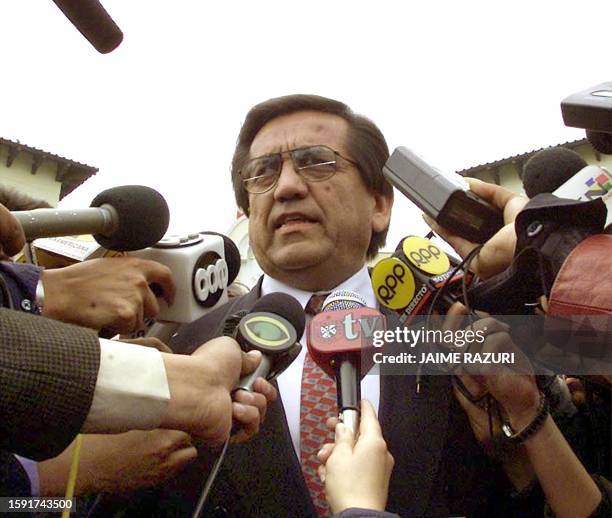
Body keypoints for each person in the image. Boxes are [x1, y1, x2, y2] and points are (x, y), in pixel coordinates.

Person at [93, 94, 499, 518]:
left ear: (379, 205)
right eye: (263, 172)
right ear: (247, 210)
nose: (287, 187)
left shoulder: (454, 326)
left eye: (317, 162)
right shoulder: (180, 350)